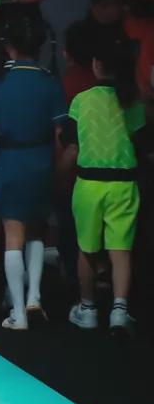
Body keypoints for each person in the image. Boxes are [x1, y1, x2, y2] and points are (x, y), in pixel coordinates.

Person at [0, 15, 67, 330]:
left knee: (13, 237)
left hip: (10, 160)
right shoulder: (49, 81)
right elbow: (60, 135)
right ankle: (35, 299)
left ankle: (18, 312)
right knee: (36, 231)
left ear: (9, 45)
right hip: (41, 160)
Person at [62, 36, 143, 335]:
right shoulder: (133, 102)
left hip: (88, 185)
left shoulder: (81, 101)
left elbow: (71, 145)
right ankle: (119, 311)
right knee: (121, 250)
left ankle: (88, 309)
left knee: (87, 249)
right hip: (124, 185)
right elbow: (143, 144)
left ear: (96, 65)